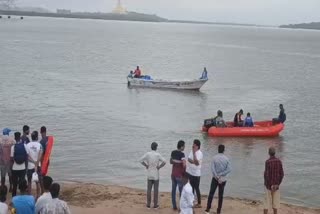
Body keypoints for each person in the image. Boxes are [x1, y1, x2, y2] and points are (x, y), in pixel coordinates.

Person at [205, 145, 231, 214]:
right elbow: (229, 169)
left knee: (211, 193)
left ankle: (208, 209)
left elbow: (212, 169)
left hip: (215, 178)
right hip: (223, 179)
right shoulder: (226, 159)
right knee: (220, 195)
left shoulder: (214, 158)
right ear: (224, 150)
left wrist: (217, 176)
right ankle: (218, 211)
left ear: (218, 150)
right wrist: (221, 174)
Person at [139, 142, 166, 209]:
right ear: (156, 147)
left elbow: (140, 160)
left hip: (149, 174)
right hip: (156, 175)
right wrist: (159, 167)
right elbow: (164, 161)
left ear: (151, 147)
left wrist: (146, 165)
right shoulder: (157, 155)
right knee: (156, 190)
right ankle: (155, 205)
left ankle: (148, 205)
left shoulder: (148, 154)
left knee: (149, 190)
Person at [264, 147, 284, 214]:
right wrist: (277, 184)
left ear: (268, 153)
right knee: (275, 204)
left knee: (266, 203)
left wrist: (269, 185)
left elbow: (266, 175)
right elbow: (282, 174)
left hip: (268, 186)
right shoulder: (279, 161)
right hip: (276, 186)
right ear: (275, 153)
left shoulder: (267, 162)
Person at [186, 139, 203, 208]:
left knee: (197, 188)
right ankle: (192, 201)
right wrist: (193, 161)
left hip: (196, 174)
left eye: (194, 145)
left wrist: (193, 154)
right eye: (193, 144)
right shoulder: (191, 151)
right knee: (191, 188)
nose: (193, 145)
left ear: (197, 146)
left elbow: (197, 163)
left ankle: (199, 203)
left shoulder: (199, 153)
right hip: (190, 172)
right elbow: (189, 159)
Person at [26, 131, 43, 198]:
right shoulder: (39, 145)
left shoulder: (27, 145)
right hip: (37, 166)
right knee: (37, 182)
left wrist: (33, 161)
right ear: (37, 137)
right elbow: (41, 154)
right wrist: (36, 162)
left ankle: (29, 197)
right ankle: (38, 196)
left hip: (30, 166)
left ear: (31, 137)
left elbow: (27, 156)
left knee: (29, 182)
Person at [11, 132, 28, 197]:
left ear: (15, 138)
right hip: (23, 168)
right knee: (22, 184)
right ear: (20, 137)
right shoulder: (24, 145)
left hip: (15, 168)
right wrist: (26, 167)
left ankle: (13, 197)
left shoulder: (13, 147)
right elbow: (26, 157)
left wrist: (11, 167)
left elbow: (12, 159)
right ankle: (22, 196)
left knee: (14, 184)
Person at [170, 140, 186, 210]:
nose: (184, 147)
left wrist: (176, 162)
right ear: (181, 146)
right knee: (181, 192)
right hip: (179, 175)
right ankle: (181, 207)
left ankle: (174, 206)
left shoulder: (173, 152)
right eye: (184, 146)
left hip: (173, 174)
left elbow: (170, 161)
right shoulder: (182, 154)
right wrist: (184, 172)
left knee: (173, 190)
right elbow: (184, 164)